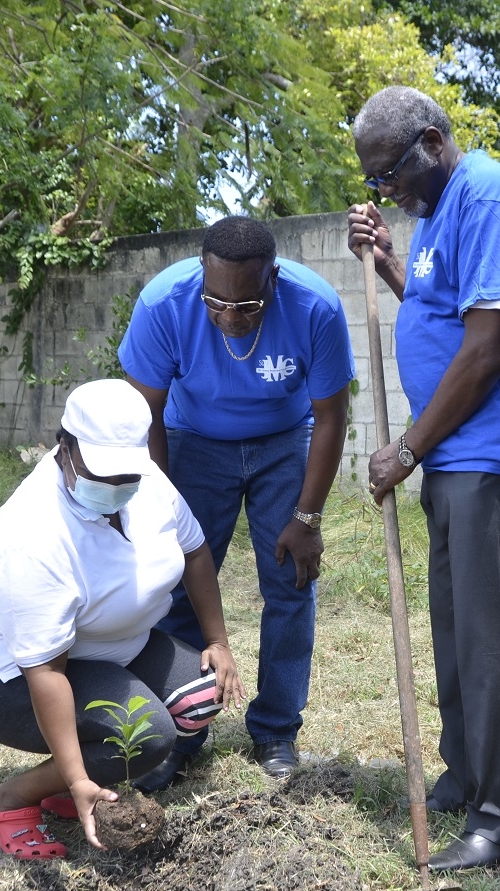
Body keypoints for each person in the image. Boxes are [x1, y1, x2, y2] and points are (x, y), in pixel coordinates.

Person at [346, 87, 500, 872]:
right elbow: (443, 312)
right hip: (454, 456)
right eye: (375, 183)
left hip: (491, 452)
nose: (387, 192)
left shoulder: (490, 198)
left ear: (433, 142)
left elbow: (485, 351)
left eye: (390, 175)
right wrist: (389, 265)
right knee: (452, 628)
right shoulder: (439, 215)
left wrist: (404, 449)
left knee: (486, 642)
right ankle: (464, 773)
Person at [0, 379, 244, 860]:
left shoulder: (148, 481)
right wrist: (79, 775)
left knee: (201, 696)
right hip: (8, 673)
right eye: (105, 474)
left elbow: (195, 550)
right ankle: (13, 799)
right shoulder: (32, 535)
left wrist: (217, 640)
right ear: (65, 447)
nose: (117, 487)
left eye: (127, 477)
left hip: (97, 646)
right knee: (145, 734)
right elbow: (46, 672)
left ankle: (72, 779)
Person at [118, 216, 355, 786]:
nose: (229, 317)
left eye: (246, 306)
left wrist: (308, 517)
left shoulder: (315, 308)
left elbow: (331, 416)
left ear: (272, 280)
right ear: (200, 275)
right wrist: (160, 506)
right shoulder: (164, 304)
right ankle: (182, 727)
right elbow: (144, 413)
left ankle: (275, 729)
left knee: (291, 584)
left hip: (284, 444)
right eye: (216, 302)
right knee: (176, 586)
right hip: (192, 443)